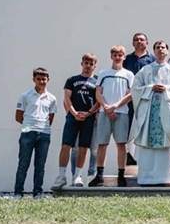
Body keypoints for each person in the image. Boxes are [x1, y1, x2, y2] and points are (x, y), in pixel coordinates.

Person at [130, 41, 170, 186]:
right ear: (154, 51)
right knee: (148, 145)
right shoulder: (145, 70)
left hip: (166, 112)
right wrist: (150, 88)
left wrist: (166, 88)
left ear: (167, 51)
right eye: (157, 47)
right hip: (149, 113)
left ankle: (164, 178)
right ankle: (147, 178)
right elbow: (135, 88)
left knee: (165, 145)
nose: (160, 49)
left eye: (163, 47)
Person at [51, 54, 100, 190]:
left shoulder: (97, 81)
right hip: (73, 117)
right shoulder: (72, 80)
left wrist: (89, 113)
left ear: (95, 65)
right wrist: (74, 113)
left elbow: (98, 100)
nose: (88, 66)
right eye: (86, 63)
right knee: (66, 145)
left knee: (83, 147)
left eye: (91, 64)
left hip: (88, 117)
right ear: (82, 63)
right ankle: (61, 176)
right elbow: (67, 98)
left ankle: (77, 176)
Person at [91, 46, 134, 187]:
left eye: (120, 55)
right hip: (104, 113)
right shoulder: (104, 73)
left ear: (124, 57)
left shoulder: (128, 74)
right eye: (115, 54)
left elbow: (130, 94)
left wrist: (115, 106)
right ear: (111, 56)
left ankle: (121, 176)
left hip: (121, 113)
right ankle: (99, 176)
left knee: (121, 144)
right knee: (102, 144)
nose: (117, 57)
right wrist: (106, 107)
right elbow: (98, 93)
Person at [14, 68, 57, 198]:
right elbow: (18, 116)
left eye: (44, 79)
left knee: (40, 166)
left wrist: (42, 128)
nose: (41, 81)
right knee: (23, 164)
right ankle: (18, 193)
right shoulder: (25, 96)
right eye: (38, 79)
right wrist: (29, 126)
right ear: (34, 80)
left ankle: (37, 192)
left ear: (48, 80)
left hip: (44, 134)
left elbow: (51, 118)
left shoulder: (52, 98)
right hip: (28, 133)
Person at [122, 33, 155, 165]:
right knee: (127, 126)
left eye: (142, 39)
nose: (139, 42)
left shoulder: (152, 59)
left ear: (147, 42)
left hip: (147, 99)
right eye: (136, 40)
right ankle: (128, 154)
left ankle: (145, 154)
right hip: (129, 99)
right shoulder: (127, 59)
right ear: (133, 43)